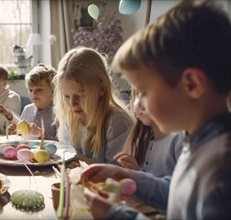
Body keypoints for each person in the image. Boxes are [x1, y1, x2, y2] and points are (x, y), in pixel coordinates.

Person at [79, 1, 231, 219]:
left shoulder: (220, 169)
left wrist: (117, 214)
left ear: (192, 85)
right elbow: (178, 194)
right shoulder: (199, 142)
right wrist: (126, 175)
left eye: (143, 91)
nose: (138, 103)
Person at [53, 47, 133, 163]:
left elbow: (116, 173)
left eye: (80, 95)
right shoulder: (70, 117)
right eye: (66, 96)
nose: (72, 103)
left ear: (101, 89)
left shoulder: (117, 122)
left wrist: (76, 158)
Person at [114, 89, 184, 178]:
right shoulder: (143, 138)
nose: (139, 104)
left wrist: (137, 175)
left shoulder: (178, 139)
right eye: (137, 94)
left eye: (146, 95)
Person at [0, 64, 57, 140]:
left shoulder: (58, 114)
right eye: (30, 90)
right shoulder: (27, 109)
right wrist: (17, 131)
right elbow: (23, 135)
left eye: (39, 89)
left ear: (53, 90)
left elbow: (62, 144)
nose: (34, 93)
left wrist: (42, 135)